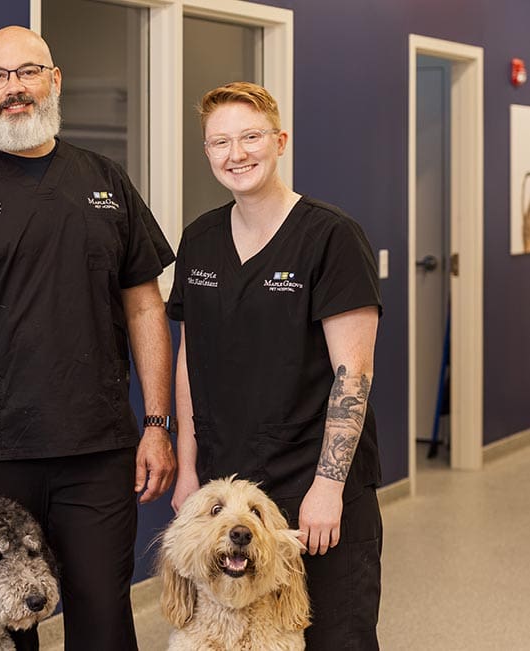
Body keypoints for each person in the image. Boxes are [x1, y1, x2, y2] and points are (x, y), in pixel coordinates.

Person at [0, 25, 176, 651]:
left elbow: (146, 308)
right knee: (4, 628)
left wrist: (156, 422)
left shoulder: (107, 182)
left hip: (97, 451)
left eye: (27, 72)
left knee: (102, 611)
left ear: (54, 80)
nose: (14, 88)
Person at [168, 81, 383, 649]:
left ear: (280, 140)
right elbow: (191, 358)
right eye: (220, 142)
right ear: (207, 151)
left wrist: (328, 488)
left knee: (335, 635)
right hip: (232, 487)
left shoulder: (330, 237)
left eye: (250, 137)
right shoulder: (200, 239)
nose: (236, 154)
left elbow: (352, 376)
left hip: (315, 487)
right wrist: (189, 472)